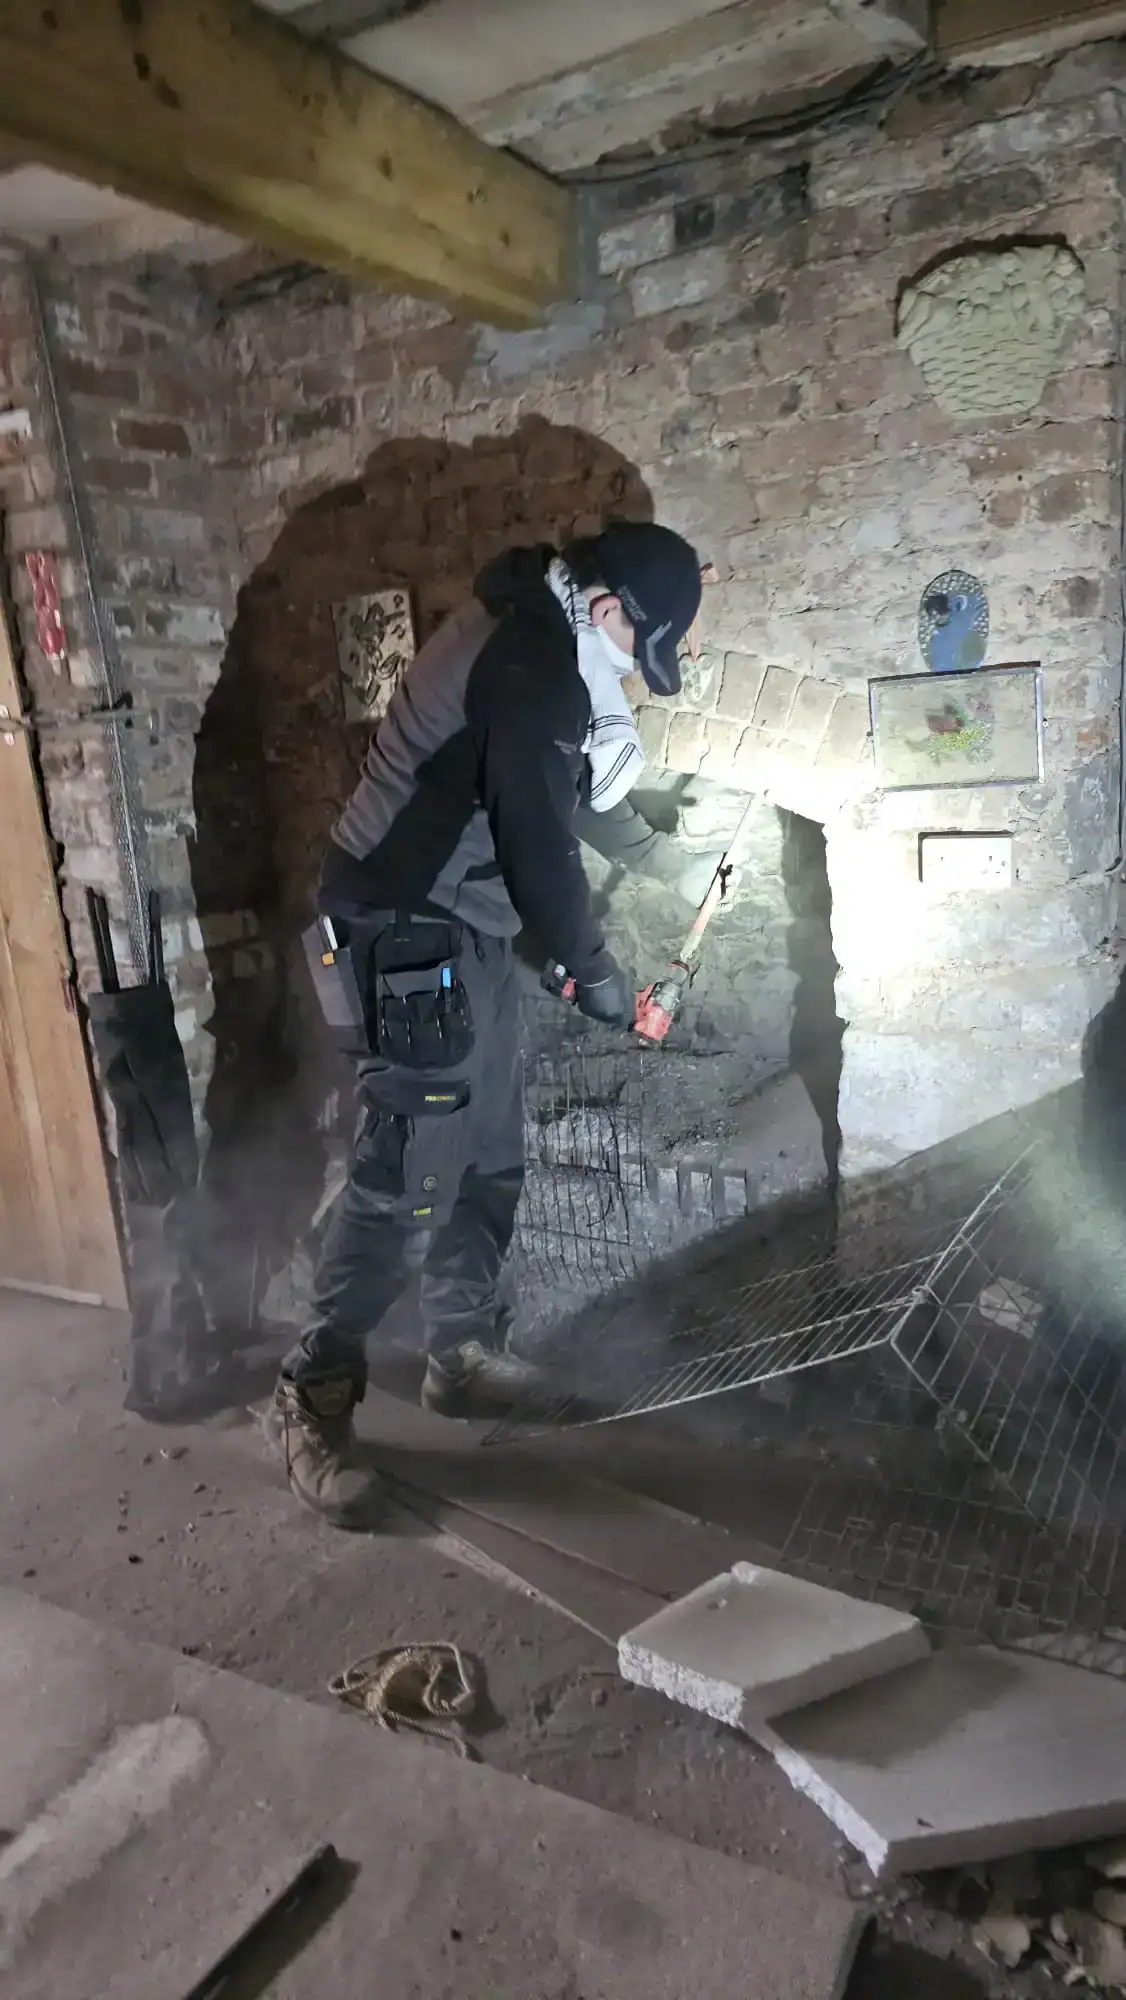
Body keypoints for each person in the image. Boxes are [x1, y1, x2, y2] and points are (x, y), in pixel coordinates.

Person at [266, 521, 705, 1526]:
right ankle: (308, 1393)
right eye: (643, 655)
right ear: (608, 611)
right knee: (407, 1178)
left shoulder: (545, 646)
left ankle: (457, 1353)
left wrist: (663, 857)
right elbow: (538, 841)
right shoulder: (528, 660)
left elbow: (560, 791)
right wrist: (594, 971)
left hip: (461, 926)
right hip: (391, 927)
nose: (636, 677)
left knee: (492, 1150)